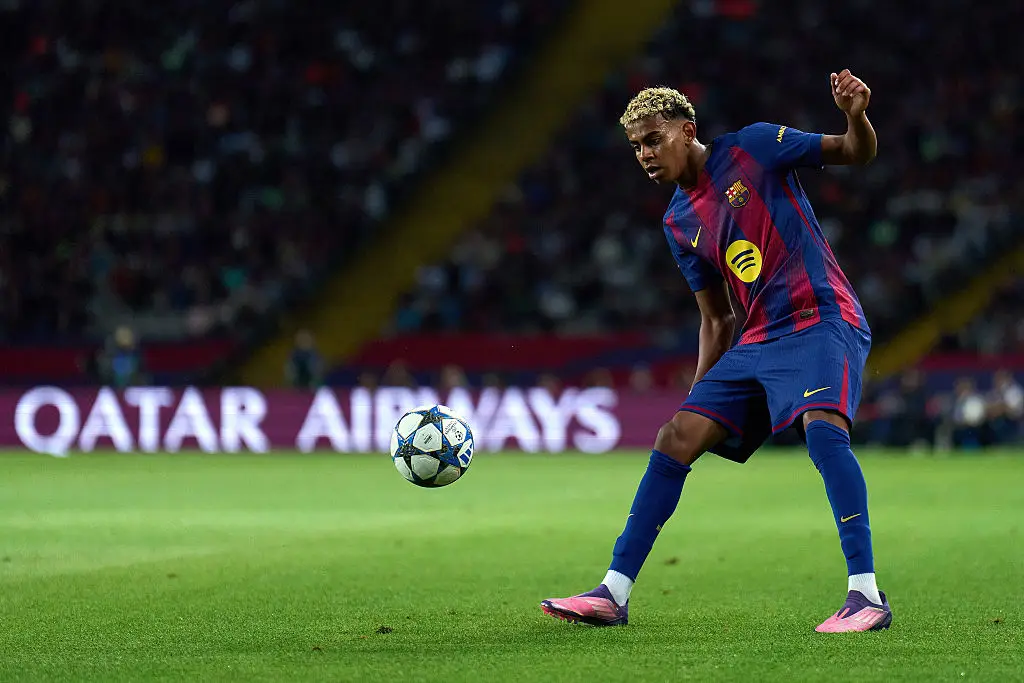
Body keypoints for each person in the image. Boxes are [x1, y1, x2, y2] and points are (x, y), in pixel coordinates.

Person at [541, 70, 891, 633]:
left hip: (821, 316)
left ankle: (866, 596)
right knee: (675, 437)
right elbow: (716, 316)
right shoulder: (678, 223)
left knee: (822, 428)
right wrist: (700, 396)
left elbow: (855, 152)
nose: (646, 155)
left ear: (688, 130)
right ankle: (612, 592)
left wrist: (855, 115)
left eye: (654, 139)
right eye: (636, 147)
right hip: (756, 338)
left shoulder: (753, 147)